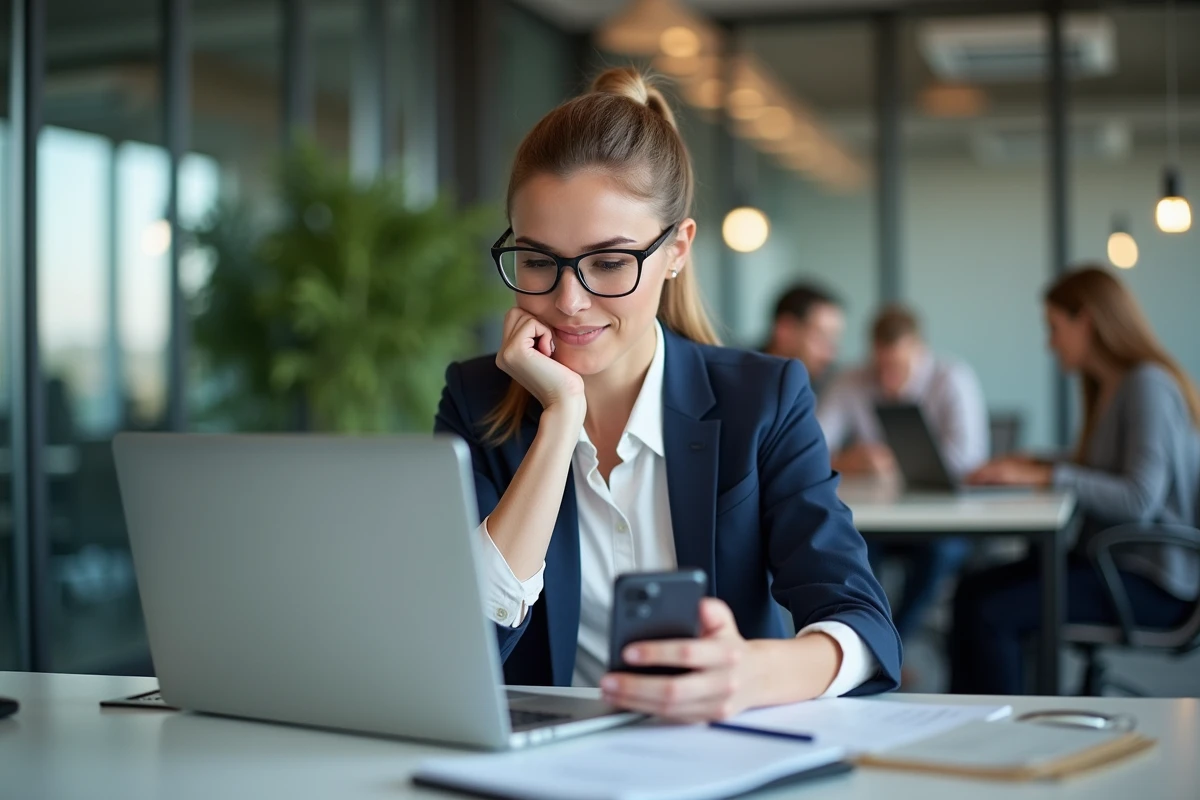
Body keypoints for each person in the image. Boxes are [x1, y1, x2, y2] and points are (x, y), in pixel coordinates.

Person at [434, 67, 899, 722]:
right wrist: (560, 420)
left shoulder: (761, 400)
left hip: (723, 752)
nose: (569, 302)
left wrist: (752, 673)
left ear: (677, 249)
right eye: (537, 260)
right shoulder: (476, 399)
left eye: (609, 262)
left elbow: (862, 624)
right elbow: (459, 649)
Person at [952, 266, 1198, 694]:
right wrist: (1033, 462)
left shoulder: (1147, 385)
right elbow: (1102, 467)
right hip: (1112, 563)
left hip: (1151, 581)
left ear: (1086, 320)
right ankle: (955, 725)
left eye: (1054, 327)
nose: (1050, 343)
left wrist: (1048, 475)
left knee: (992, 612)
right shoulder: (1110, 387)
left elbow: (1139, 498)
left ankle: (1006, 741)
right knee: (972, 590)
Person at [818, 305, 989, 643]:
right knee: (851, 549)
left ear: (920, 350)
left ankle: (893, 641)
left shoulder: (952, 378)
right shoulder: (853, 380)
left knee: (938, 555)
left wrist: (894, 462)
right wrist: (850, 460)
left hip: (946, 521)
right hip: (882, 519)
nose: (887, 379)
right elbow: (812, 446)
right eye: (880, 366)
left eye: (897, 366)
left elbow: (969, 461)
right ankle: (865, 634)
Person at [761, 283, 845, 389]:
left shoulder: (832, 386)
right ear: (785, 330)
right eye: (820, 338)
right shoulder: (740, 381)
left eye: (833, 341)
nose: (830, 356)